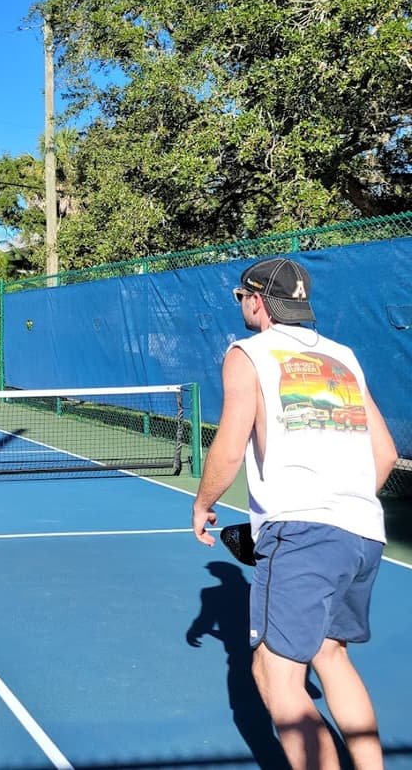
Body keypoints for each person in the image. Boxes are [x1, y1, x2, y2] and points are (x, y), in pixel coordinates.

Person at [191, 257, 397, 770]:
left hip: (301, 532)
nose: (241, 305)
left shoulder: (249, 353)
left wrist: (203, 502)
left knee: (274, 675)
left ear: (257, 300)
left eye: (243, 297)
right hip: (364, 531)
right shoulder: (344, 356)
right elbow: (387, 454)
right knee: (332, 656)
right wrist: (343, 503)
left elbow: (232, 444)